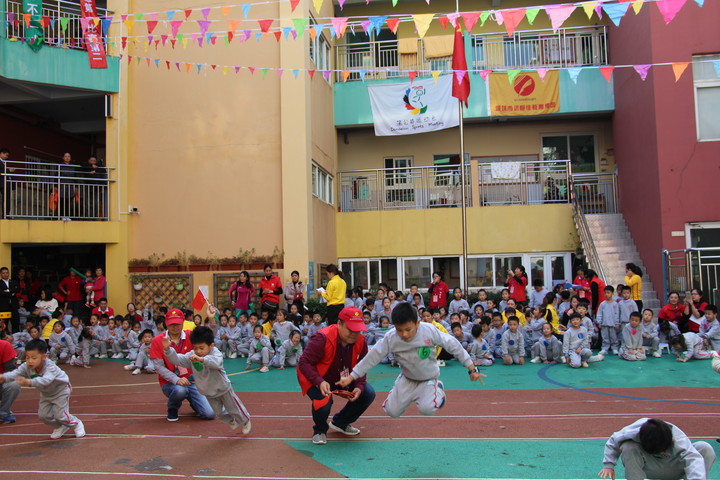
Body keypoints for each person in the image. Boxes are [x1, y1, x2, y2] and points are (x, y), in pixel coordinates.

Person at [337, 303, 484, 419]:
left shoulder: (428, 330)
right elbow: (373, 357)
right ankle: (401, 390)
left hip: (428, 378)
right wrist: (352, 376)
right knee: (392, 412)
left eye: (408, 329)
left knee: (427, 409)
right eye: (400, 330)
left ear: (417, 323)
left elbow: (453, 344)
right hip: (407, 378)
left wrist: (471, 368)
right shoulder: (391, 338)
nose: (404, 334)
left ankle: (438, 389)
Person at [297, 306, 376, 445]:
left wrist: (359, 386)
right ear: (339, 324)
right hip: (316, 378)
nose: (354, 334)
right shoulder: (321, 338)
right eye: (350, 329)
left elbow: (362, 367)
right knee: (324, 399)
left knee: (367, 393)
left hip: (343, 378)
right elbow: (304, 362)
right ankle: (320, 430)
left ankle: (340, 422)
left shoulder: (361, 342)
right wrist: (319, 381)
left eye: (358, 330)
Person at [163, 319, 251, 433]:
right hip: (207, 390)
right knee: (219, 412)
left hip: (222, 388)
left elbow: (216, 363)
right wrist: (168, 350)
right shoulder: (192, 355)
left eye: (201, 348)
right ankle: (230, 420)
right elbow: (178, 360)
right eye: (195, 348)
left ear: (211, 346)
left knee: (234, 408)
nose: (198, 351)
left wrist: (202, 359)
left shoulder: (215, 353)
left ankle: (245, 421)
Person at [0, 339, 85, 439]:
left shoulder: (50, 367)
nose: (30, 361)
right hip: (46, 393)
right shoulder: (26, 366)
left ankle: (76, 424)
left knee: (60, 415)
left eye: (34, 358)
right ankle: (59, 427)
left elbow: (46, 380)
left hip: (60, 390)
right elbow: (15, 373)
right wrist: (4, 377)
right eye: (27, 357)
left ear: (44, 356)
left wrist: (29, 382)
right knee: (43, 416)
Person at [149, 308, 215, 422]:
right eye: (172, 324)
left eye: (178, 323)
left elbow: (208, 338)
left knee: (209, 414)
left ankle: (195, 403)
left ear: (183, 322)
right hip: (170, 383)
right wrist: (176, 379)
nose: (175, 327)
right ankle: (172, 408)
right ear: (166, 323)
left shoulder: (190, 335)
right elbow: (159, 367)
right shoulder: (158, 340)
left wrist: (211, 319)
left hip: (192, 381)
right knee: (180, 390)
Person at [599, 418, 715, 480]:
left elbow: (693, 459)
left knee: (704, 448)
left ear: (671, 440)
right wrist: (609, 465)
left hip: (675, 467)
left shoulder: (678, 438)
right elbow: (613, 440)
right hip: (649, 467)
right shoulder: (632, 432)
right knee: (628, 446)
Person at [0, 332, 20, 423]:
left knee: (14, 384)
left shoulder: (4, 345)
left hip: (1, 381)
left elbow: (11, 370)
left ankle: (4, 413)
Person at [597, 286, 620, 356]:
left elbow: (617, 314)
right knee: (605, 337)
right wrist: (599, 322)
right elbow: (599, 314)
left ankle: (614, 348)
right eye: (605, 293)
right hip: (604, 324)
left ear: (612, 293)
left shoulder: (615, 304)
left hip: (613, 324)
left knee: (614, 337)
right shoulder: (602, 304)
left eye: (608, 293)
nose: (606, 294)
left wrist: (617, 323)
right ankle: (605, 348)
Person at [0, 267, 19, 333]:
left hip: (14, 306)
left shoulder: (13, 282)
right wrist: (11, 293)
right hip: (4, 307)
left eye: (6, 273)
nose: (5, 274)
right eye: (3, 273)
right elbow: (1, 293)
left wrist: (7, 291)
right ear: (1, 274)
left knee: (15, 323)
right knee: (4, 324)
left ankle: (15, 336)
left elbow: (17, 289)